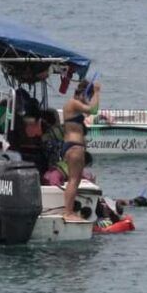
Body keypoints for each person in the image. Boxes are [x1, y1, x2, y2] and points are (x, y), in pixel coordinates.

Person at [61, 79, 100, 222]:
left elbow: (89, 109)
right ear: (82, 94)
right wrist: (97, 92)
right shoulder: (73, 103)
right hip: (74, 146)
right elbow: (93, 110)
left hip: (75, 146)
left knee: (75, 181)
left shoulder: (75, 105)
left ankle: (69, 210)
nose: (87, 100)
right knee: (73, 180)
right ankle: (68, 212)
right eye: (87, 97)